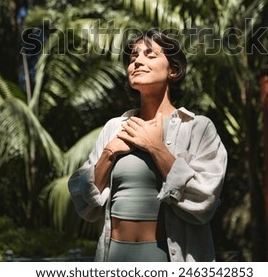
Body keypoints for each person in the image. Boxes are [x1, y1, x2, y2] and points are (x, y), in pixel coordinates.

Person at [68, 29, 227, 262]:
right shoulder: (114, 127)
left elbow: (205, 198)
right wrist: (110, 153)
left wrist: (156, 147)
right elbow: (84, 201)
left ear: (172, 70)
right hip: (114, 259)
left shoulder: (198, 128)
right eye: (133, 58)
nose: (137, 61)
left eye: (150, 55)